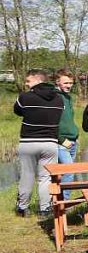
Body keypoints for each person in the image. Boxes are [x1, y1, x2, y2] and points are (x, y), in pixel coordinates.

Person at [13, 69, 63, 218]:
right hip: (50, 142)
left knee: (27, 175)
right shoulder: (59, 99)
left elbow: (17, 111)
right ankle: (45, 209)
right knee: (45, 178)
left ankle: (23, 208)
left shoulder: (25, 97)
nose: (26, 84)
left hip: (28, 141)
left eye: (28, 81)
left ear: (38, 80)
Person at [54, 68, 79, 201]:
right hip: (62, 142)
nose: (69, 86)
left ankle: (58, 201)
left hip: (73, 141)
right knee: (69, 171)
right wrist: (61, 140)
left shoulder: (68, 97)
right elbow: (51, 123)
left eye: (71, 83)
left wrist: (75, 135)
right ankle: (63, 203)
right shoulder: (54, 97)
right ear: (57, 82)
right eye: (66, 83)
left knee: (64, 173)